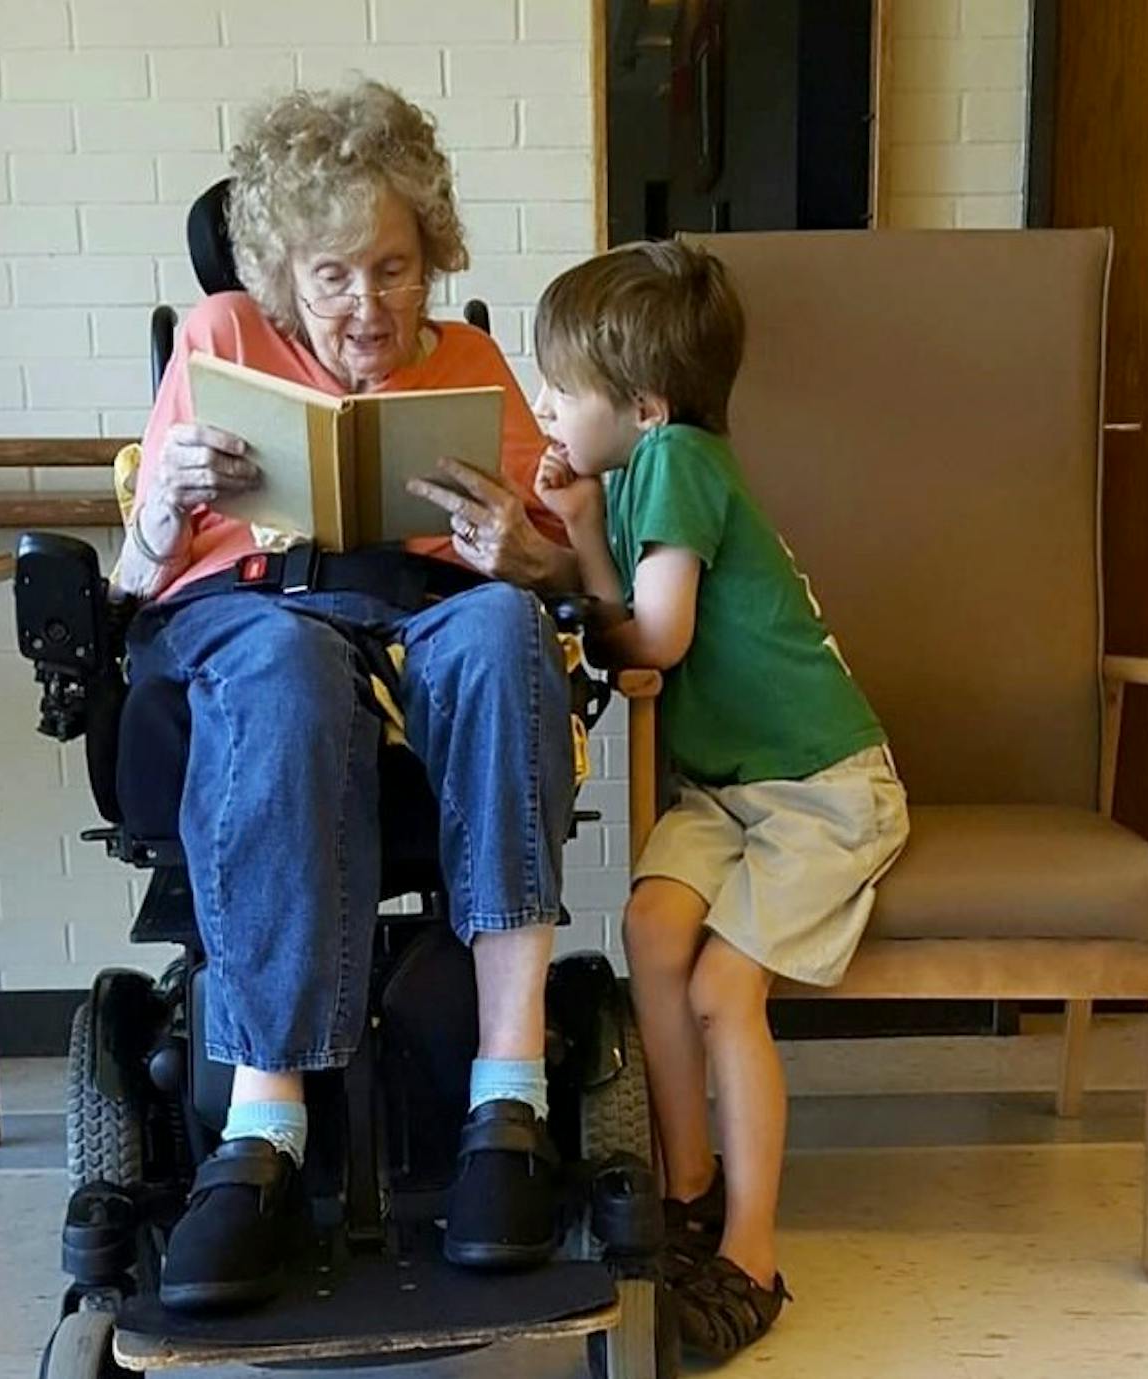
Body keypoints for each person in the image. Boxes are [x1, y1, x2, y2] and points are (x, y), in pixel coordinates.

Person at [120, 80, 583, 1311]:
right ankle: (261, 1130)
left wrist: (518, 554)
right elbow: (134, 578)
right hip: (250, 620)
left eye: (392, 269)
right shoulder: (216, 339)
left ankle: (508, 1098)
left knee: (498, 627)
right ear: (279, 271)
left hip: (422, 621)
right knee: (282, 662)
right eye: (330, 276)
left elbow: (553, 563)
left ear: (429, 252)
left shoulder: (475, 361)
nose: (366, 305)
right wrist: (165, 502)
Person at [529, 240, 910, 1362]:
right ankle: (684, 1183)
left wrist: (578, 597)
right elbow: (630, 609)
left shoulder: (684, 458)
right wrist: (584, 533)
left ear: (643, 406)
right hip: (730, 789)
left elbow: (654, 637)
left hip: (823, 789)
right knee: (647, 926)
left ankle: (748, 1242)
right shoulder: (648, 473)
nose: (544, 401)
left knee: (717, 985)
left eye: (562, 386)